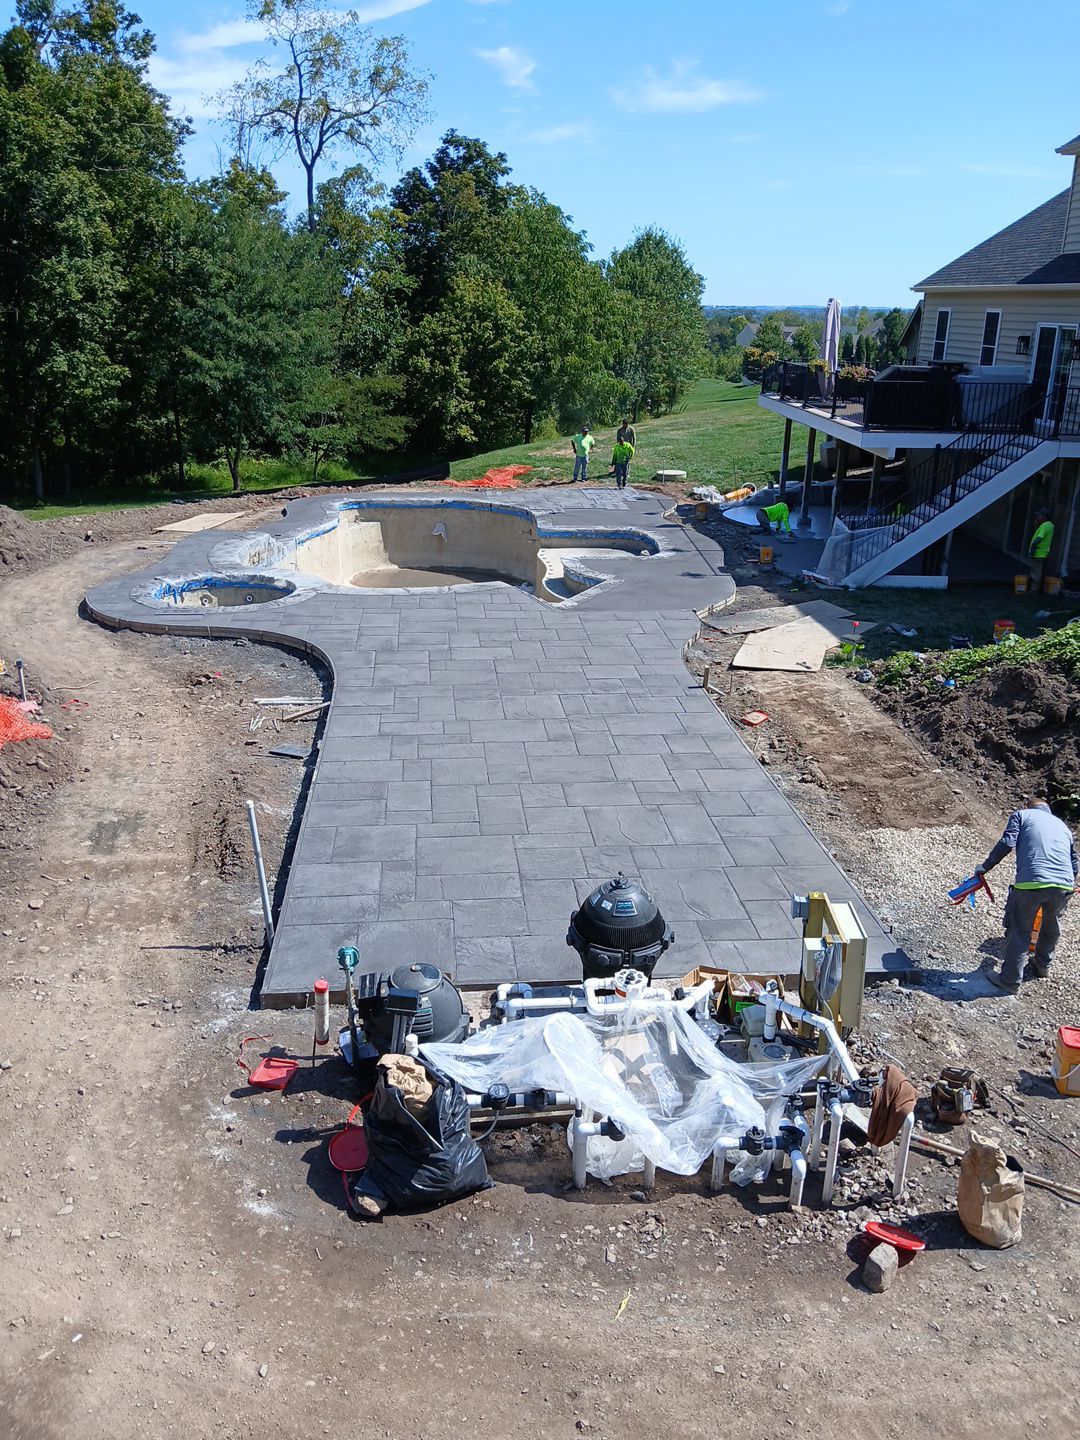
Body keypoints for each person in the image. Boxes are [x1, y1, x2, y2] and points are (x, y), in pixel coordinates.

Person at [975, 793, 1078, 993]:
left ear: (1028, 806)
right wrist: (1068, 882)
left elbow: (1007, 842)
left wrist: (986, 867)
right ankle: (1043, 966)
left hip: (1032, 883)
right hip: (1064, 885)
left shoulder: (1022, 815)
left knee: (1020, 930)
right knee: (1052, 926)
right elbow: (1074, 861)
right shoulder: (1063, 826)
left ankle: (1010, 980)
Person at [1027, 510, 1054, 590]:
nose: (1037, 517)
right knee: (1040, 570)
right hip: (1044, 552)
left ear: (1044, 517)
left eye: (1039, 516)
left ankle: (1034, 590)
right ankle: (1041, 588)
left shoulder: (1044, 526)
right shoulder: (1051, 525)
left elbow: (1039, 537)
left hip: (1038, 553)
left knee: (1035, 572)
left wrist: (1033, 547)